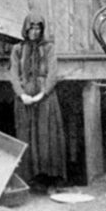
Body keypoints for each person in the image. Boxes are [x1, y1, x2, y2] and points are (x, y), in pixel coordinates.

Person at [8, 12, 67, 191]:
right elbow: (13, 74)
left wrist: (43, 93)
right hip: (25, 101)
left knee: (47, 138)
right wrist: (21, 94)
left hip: (45, 100)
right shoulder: (17, 49)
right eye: (31, 28)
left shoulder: (48, 48)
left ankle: (51, 182)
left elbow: (53, 73)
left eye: (38, 28)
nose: (34, 32)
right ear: (26, 29)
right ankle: (32, 181)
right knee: (27, 138)